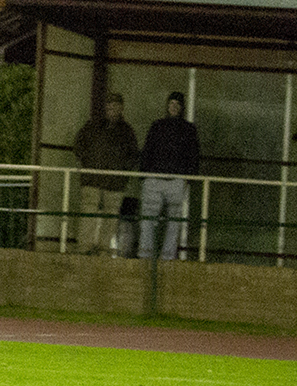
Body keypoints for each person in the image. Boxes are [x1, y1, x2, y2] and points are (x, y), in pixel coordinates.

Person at [71, 92, 139, 254]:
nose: (112, 108)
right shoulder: (94, 126)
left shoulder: (126, 132)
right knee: (89, 211)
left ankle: (103, 248)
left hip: (113, 182)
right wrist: (88, 162)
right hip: (93, 178)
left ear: (121, 108)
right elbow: (79, 145)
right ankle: (84, 247)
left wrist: (122, 170)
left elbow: (133, 156)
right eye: (109, 105)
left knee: (110, 214)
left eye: (115, 105)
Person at [137, 90, 200, 261]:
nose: (173, 107)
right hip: (156, 179)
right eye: (171, 103)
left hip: (175, 181)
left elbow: (193, 156)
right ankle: (147, 254)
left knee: (172, 221)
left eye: (177, 104)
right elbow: (147, 151)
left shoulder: (186, 129)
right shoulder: (159, 126)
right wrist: (145, 176)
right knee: (151, 219)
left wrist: (187, 179)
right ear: (167, 105)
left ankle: (166, 256)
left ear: (181, 107)